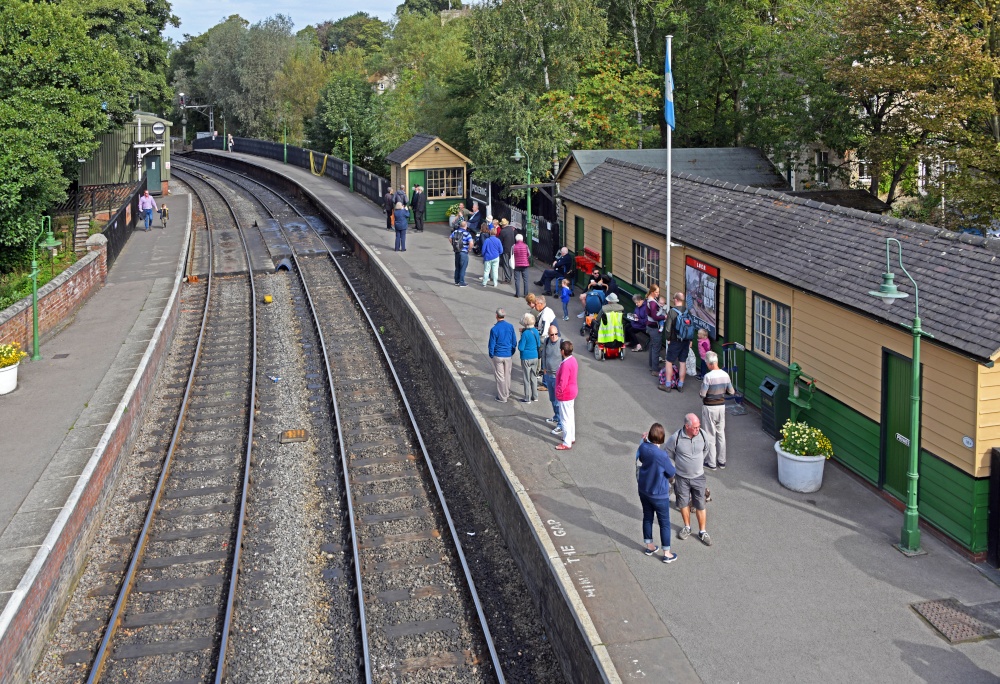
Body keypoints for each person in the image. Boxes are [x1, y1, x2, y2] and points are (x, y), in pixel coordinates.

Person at [664, 414, 713, 546]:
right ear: (687, 426)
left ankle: (702, 531)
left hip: (699, 477)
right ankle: (687, 527)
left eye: (699, 426)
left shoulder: (702, 435)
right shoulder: (676, 438)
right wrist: (681, 462)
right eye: (695, 427)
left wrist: (697, 462)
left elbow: (706, 449)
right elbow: (668, 452)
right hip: (681, 478)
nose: (698, 429)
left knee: (700, 504)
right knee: (683, 503)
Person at [636, 423, 679, 564]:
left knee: (647, 517)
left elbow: (641, 457)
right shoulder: (661, 455)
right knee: (664, 523)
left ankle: (650, 546)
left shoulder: (643, 447)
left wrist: (644, 441)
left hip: (644, 490)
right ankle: (667, 553)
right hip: (659, 494)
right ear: (661, 438)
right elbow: (671, 472)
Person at [700, 351, 736, 470]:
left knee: (710, 436)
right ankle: (722, 461)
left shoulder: (708, 377)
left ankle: (711, 463)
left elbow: (702, 394)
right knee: (721, 434)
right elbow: (731, 392)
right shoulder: (725, 375)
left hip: (709, 407)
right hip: (721, 407)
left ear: (710, 364)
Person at [663, 292, 691, 391]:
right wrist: (690, 340)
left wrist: (668, 339)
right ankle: (680, 384)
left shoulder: (672, 312)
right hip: (686, 340)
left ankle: (667, 385)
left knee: (669, 361)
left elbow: (668, 328)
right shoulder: (688, 311)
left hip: (675, 340)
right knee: (682, 362)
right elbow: (690, 327)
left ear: (675, 299)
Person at [488, 308, 516, 402]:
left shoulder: (494, 329)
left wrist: (491, 354)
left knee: (500, 376)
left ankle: (502, 397)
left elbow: (492, 344)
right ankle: (507, 392)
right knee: (507, 374)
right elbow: (514, 341)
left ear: (496, 315)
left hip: (498, 355)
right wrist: (512, 351)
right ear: (504, 316)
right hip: (508, 354)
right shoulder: (510, 326)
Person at [554, 340, 578, 450]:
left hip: (565, 394)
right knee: (570, 416)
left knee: (564, 418)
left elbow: (563, 382)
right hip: (572, 392)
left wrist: (558, 393)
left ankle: (567, 441)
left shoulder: (565, 365)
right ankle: (571, 437)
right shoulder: (573, 360)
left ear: (562, 351)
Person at [540, 325, 563, 433]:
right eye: (551, 334)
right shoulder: (547, 341)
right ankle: (556, 416)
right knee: (552, 399)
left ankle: (560, 424)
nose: (554, 337)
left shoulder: (561, 343)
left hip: (557, 377)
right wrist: (544, 367)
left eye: (555, 334)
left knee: (558, 401)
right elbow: (543, 354)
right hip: (548, 375)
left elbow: (565, 360)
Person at [517, 313, 542, 403]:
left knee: (526, 378)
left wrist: (520, 339)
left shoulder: (525, 334)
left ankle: (527, 398)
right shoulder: (535, 331)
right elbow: (539, 344)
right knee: (533, 377)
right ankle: (535, 396)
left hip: (526, 357)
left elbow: (521, 348)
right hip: (535, 356)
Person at [645, 284, 665, 374]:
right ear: (652, 292)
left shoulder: (648, 299)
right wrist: (664, 317)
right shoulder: (653, 303)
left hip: (649, 326)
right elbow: (655, 316)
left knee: (652, 346)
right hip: (654, 327)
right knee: (656, 348)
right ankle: (655, 369)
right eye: (656, 292)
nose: (658, 294)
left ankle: (652, 365)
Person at [449, 220, 474, 286]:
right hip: (464, 252)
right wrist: (469, 249)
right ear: (465, 226)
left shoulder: (455, 232)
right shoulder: (467, 233)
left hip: (457, 251)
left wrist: (453, 245)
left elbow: (450, 238)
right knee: (463, 267)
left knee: (457, 267)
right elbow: (471, 243)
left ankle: (456, 281)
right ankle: (461, 282)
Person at [512, 234, 531, 298]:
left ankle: (517, 294)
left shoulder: (514, 246)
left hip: (516, 265)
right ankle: (526, 294)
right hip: (525, 265)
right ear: (522, 239)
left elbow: (511, 255)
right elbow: (529, 254)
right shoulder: (526, 246)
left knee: (517, 280)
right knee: (525, 280)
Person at [498, 218, 516, 283]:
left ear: (502, 225)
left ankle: (507, 278)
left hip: (505, 249)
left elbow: (500, 241)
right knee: (510, 263)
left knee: (505, 264)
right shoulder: (511, 229)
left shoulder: (503, 231)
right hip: (511, 249)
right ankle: (510, 276)